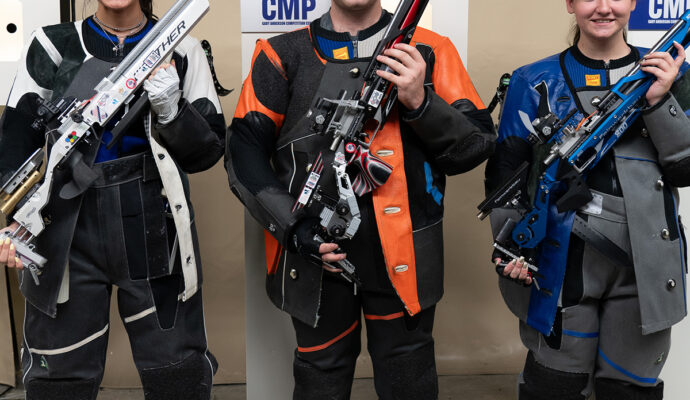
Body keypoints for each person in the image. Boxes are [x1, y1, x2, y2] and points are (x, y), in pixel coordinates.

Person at [225, 0, 495, 398]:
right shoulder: (280, 53)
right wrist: (295, 228)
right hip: (314, 254)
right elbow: (243, 152)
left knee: (409, 379)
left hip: (407, 254)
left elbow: (474, 147)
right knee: (320, 379)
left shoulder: (430, 49)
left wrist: (421, 102)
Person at [0, 0, 225, 398]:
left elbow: (207, 153)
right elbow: (15, 144)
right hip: (63, 230)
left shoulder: (182, 49)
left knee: (178, 375)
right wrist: (12, 221)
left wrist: (173, 111)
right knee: (59, 378)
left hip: (155, 226)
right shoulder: (52, 46)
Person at [486, 0, 690, 398]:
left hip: (644, 268)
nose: (602, 7)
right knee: (555, 385)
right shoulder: (532, 80)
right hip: (557, 266)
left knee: (629, 390)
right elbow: (504, 180)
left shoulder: (673, 75)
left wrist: (661, 100)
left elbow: (685, 171)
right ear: (569, 3)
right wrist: (510, 250)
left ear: (632, 2)